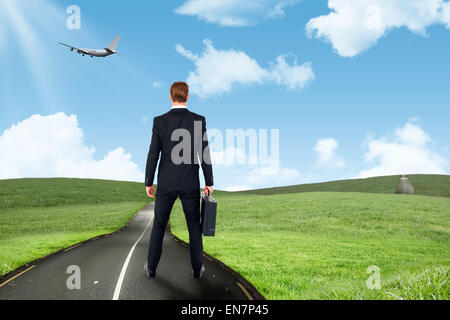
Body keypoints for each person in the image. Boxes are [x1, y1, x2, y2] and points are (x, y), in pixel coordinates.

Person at [144, 81, 214, 279]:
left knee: (159, 225)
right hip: (190, 183)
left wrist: (148, 181)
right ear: (188, 96)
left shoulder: (159, 121)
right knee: (194, 226)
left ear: (170, 96)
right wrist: (209, 182)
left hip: (165, 184)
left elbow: (153, 154)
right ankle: (197, 269)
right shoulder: (199, 120)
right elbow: (205, 154)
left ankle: (151, 268)